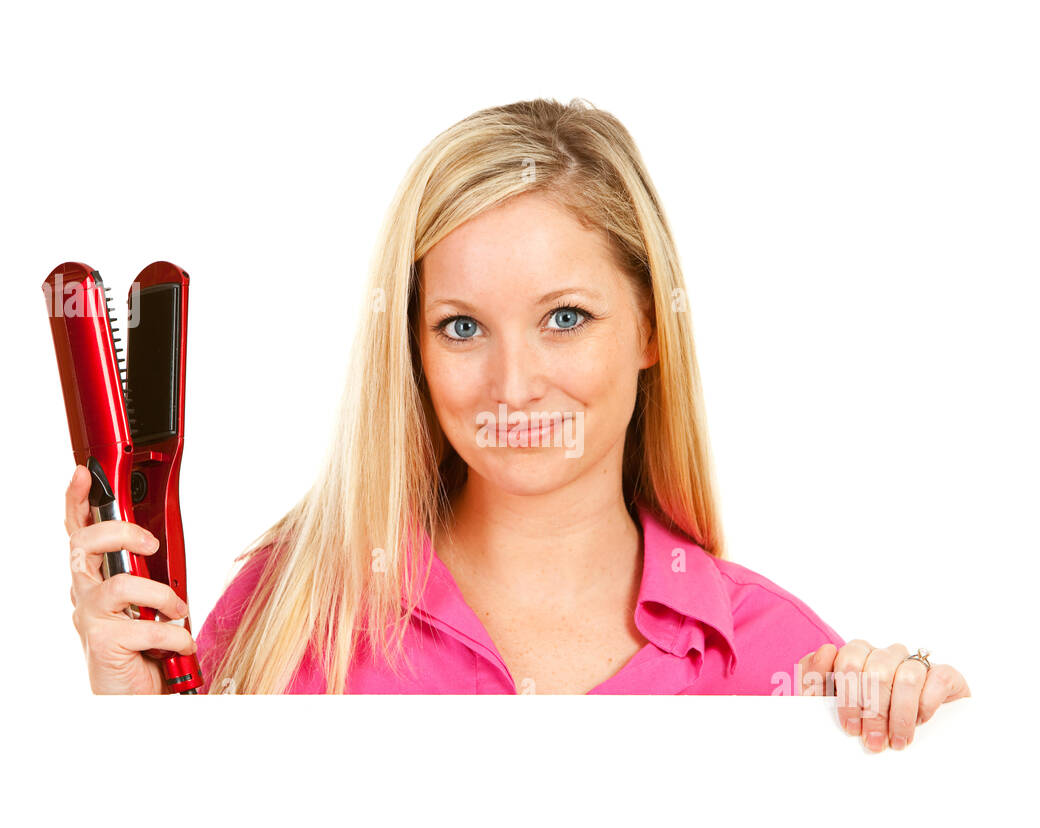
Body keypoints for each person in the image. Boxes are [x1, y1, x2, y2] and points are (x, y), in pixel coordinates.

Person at [63, 97, 969, 750]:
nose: (514, 385)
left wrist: (928, 742)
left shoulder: (775, 658)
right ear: (411, 348)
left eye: (565, 318)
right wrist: (141, 745)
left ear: (652, 326)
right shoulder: (291, 616)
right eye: (462, 327)